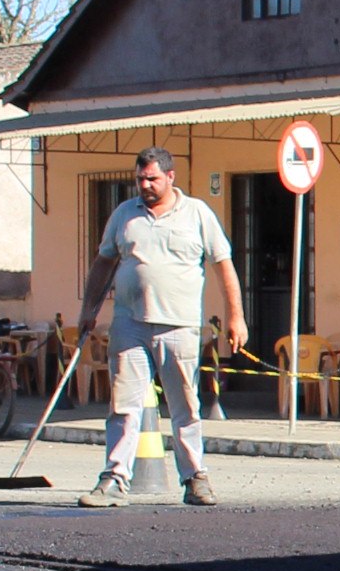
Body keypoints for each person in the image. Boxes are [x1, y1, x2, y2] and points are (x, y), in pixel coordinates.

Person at [74, 146, 242, 509]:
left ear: (170, 176)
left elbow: (223, 265)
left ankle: (195, 478)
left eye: (152, 178)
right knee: (123, 404)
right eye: (140, 179)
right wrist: (89, 308)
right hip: (129, 324)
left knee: (185, 405)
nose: (145, 185)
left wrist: (235, 316)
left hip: (179, 327)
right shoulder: (124, 215)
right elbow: (103, 264)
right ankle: (115, 479)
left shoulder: (197, 213)